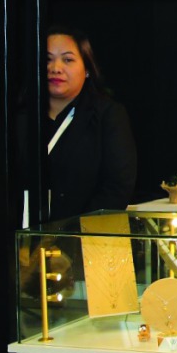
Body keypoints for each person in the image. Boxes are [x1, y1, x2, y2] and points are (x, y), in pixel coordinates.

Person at [41, 25, 137, 220]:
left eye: (67, 60)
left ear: (86, 69)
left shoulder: (107, 115)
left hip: (85, 239)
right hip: (21, 239)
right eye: (47, 59)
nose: (55, 68)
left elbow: (118, 187)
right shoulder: (17, 117)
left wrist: (70, 233)